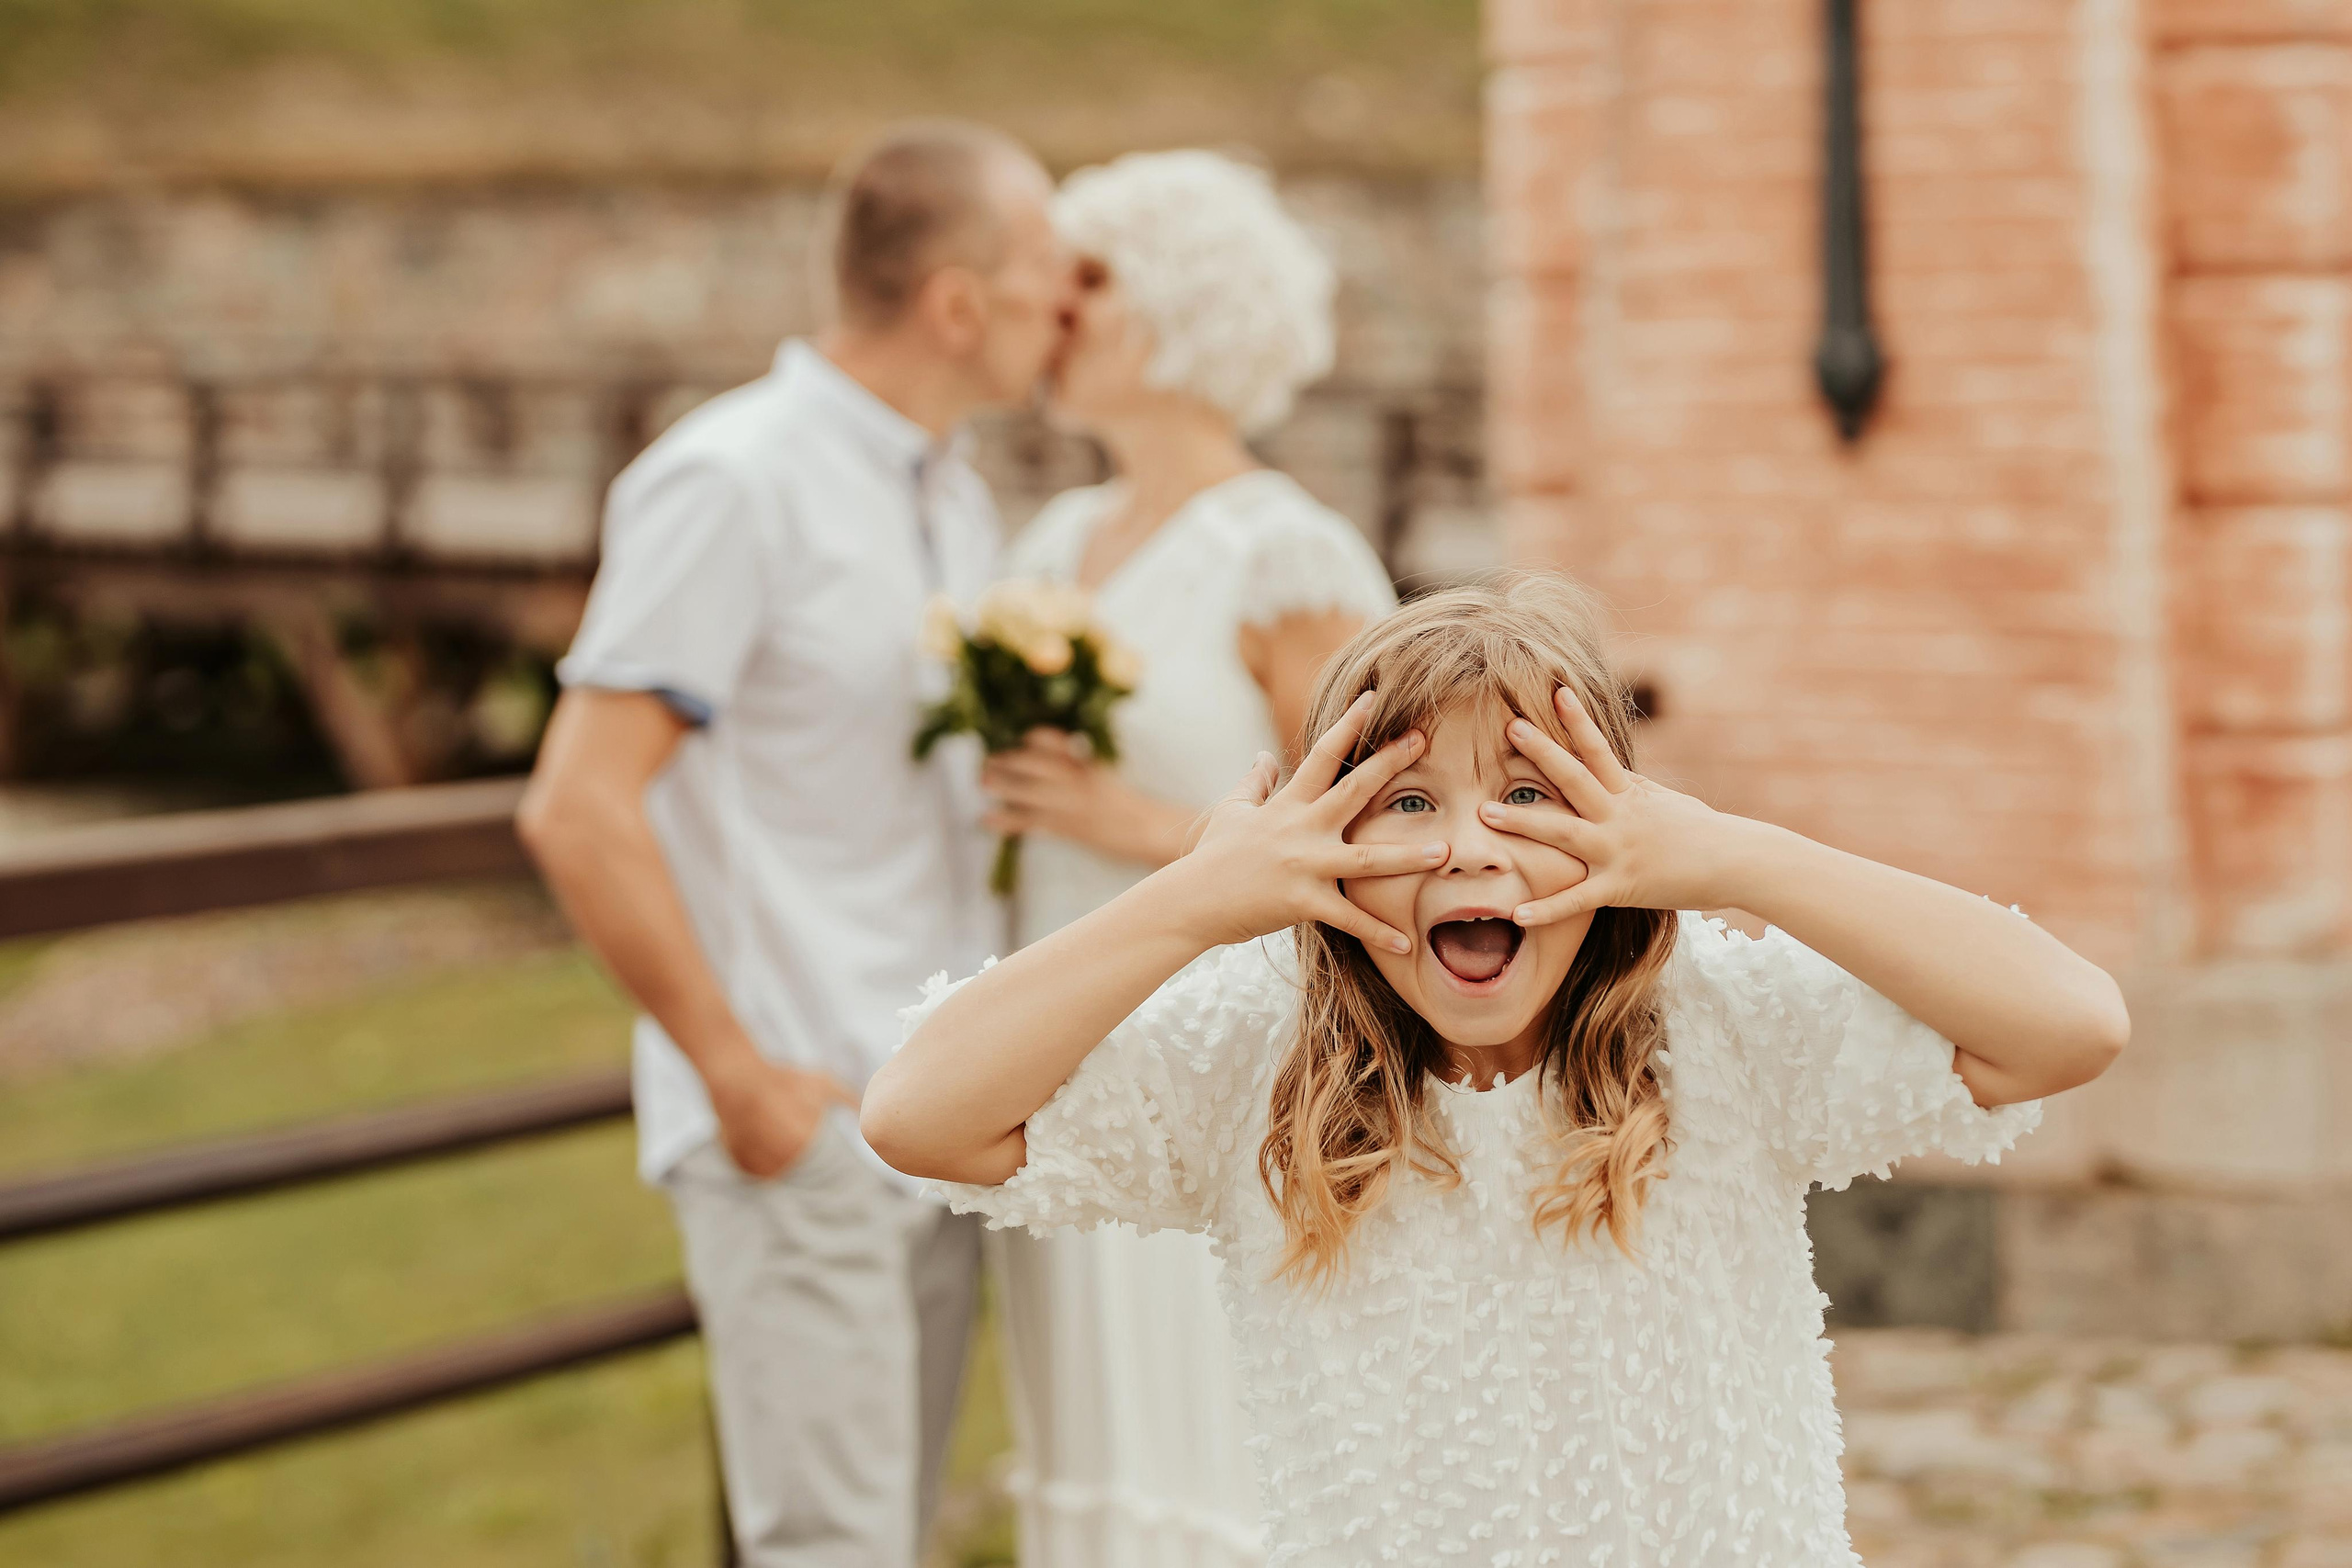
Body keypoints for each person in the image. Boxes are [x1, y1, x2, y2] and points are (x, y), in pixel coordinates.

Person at [865, 572, 2131, 1566]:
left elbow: (2068, 1022)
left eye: (1528, 792)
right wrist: (1196, 898)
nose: (1472, 844)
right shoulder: (1255, 1058)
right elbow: (921, 1113)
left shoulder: (1723, 1032)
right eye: (1408, 803)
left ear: (1618, 829)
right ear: (1327, 843)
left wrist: (1736, 857)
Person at [516, 120, 1073, 1568]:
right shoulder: (730, 481)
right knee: (830, 1549)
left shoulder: (953, 495)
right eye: (1040, 282)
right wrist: (737, 1076)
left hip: (935, 1109)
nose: (1060, 315)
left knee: (893, 1534)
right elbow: (577, 803)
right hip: (801, 1114)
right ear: (958, 302)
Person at [974, 149, 1394, 1568]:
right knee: (1088, 1404)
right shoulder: (1052, 539)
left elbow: (1383, 833)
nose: (1056, 311)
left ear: (1177, 309)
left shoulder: (1287, 551)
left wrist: (1135, 828)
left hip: (1218, 1043)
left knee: (1215, 1416)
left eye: (1089, 280)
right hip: (1058, 1023)